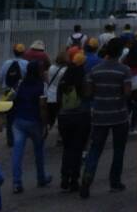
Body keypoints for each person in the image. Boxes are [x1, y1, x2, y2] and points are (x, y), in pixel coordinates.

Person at [81, 38, 133, 199]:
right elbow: (127, 93)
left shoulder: (95, 70)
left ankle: (86, 180)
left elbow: (88, 93)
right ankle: (115, 181)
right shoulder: (124, 70)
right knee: (118, 150)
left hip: (99, 114)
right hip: (119, 115)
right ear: (119, 53)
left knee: (95, 149)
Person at [10, 61, 51, 193]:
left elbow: (12, 97)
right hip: (35, 121)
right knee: (38, 151)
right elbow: (43, 107)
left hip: (19, 120)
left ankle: (16, 182)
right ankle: (41, 177)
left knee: (17, 151)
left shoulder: (21, 83)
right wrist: (45, 125)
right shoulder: (42, 85)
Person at [56, 52, 90, 193]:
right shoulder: (83, 79)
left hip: (64, 118)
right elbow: (88, 95)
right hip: (81, 117)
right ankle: (74, 180)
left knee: (67, 148)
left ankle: (64, 176)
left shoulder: (63, 80)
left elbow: (58, 100)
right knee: (77, 150)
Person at [0, 43, 27, 147]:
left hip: (8, 92)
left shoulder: (6, 63)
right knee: (21, 115)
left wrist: (4, 89)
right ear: (23, 52)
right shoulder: (26, 64)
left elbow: (0, 78)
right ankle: (20, 138)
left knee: (10, 117)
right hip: (21, 93)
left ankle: (10, 140)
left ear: (14, 52)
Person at [44, 52, 68, 131]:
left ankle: (48, 131)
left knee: (50, 117)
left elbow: (47, 79)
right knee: (59, 116)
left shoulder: (51, 67)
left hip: (49, 96)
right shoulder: (65, 70)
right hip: (58, 97)